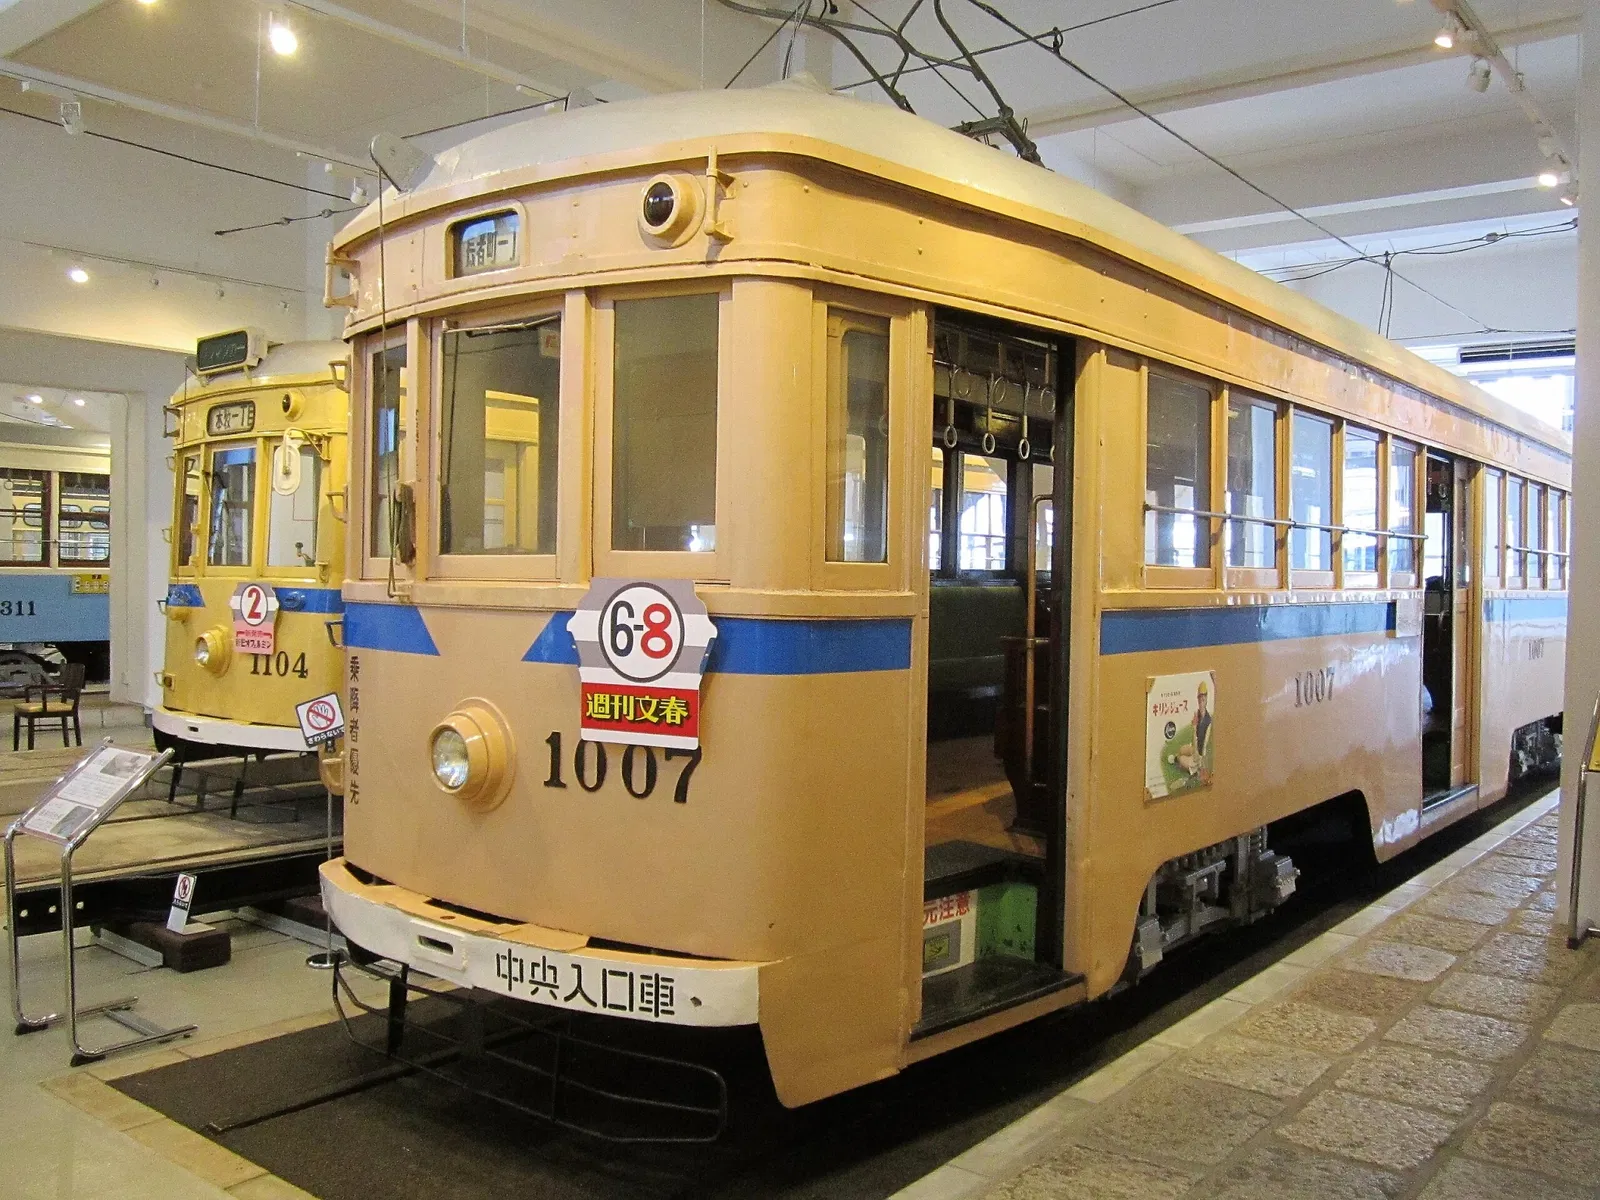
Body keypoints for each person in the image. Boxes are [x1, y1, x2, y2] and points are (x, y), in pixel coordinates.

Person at [1193, 679, 1212, 759]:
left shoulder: (1208, 720)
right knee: (1182, 750)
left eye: (1203, 700)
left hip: (1199, 754)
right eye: (1199, 699)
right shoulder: (1197, 715)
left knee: (1182, 758)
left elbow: (1205, 744)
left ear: (1206, 700)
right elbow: (1193, 738)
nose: (1201, 702)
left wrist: (1200, 756)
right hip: (1194, 748)